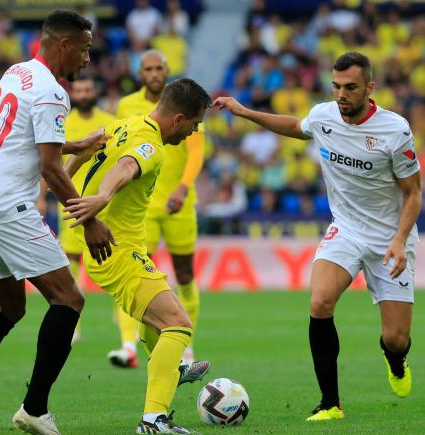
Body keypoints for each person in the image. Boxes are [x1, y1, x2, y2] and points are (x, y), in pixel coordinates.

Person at [0, 10, 114, 435]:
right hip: (6, 206)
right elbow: (50, 167)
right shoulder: (52, 92)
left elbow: (21, 135)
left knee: (10, 307)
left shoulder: (17, 72)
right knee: (69, 300)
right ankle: (34, 408)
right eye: (85, 49)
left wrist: (75, 143)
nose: (88, 60)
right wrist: (88, 220)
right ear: (65, 45)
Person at [213, 51, 419, 422]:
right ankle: (330, 404)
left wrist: (401, 239)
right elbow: (295, 126)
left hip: (391, 238)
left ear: (370, 88)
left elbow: (413, 193)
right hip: (346, 229)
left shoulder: (395, 130)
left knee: (395, 338)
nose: (341, 94)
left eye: (351, 87)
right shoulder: (324, 115)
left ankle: (396, 360)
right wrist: (246, 112)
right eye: (337, 86)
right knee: (320, 302)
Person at [64, 78, 211, 434]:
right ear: (178, 119)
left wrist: (65, 185)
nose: (193, 132)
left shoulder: (120, 125)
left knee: (158, 319)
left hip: (114, 249)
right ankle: (152, 420)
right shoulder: (152, 145)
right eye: (194, 124)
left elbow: (82, 151)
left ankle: (170, 371)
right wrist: (102, 197)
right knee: (179, 324)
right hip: (118, 250)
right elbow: (127, 166)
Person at [109, 49, 206, 367]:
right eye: (147, 68)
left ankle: (186, 344)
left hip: (179, 203)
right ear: (140, 73)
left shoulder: (186, 103)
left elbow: (195, 152)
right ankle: (128, 345)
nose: (153, 73)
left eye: (158, 68)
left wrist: (182, 187)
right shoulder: (127, 106)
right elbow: (119, 148)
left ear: (166, 71)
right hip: (144, 206)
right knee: (137, 275)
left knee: (185, 274)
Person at [56, 76, 116, 344]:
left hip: (103, 203)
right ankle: (72, 324)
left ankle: (123, 319)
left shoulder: (109, 121)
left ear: (95, 91)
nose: (83, 93)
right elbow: (51, 162)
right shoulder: (63, 123)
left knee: (113, 259)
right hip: (69, 201)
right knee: (70, 263)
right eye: (78, 90)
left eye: (87, 88)